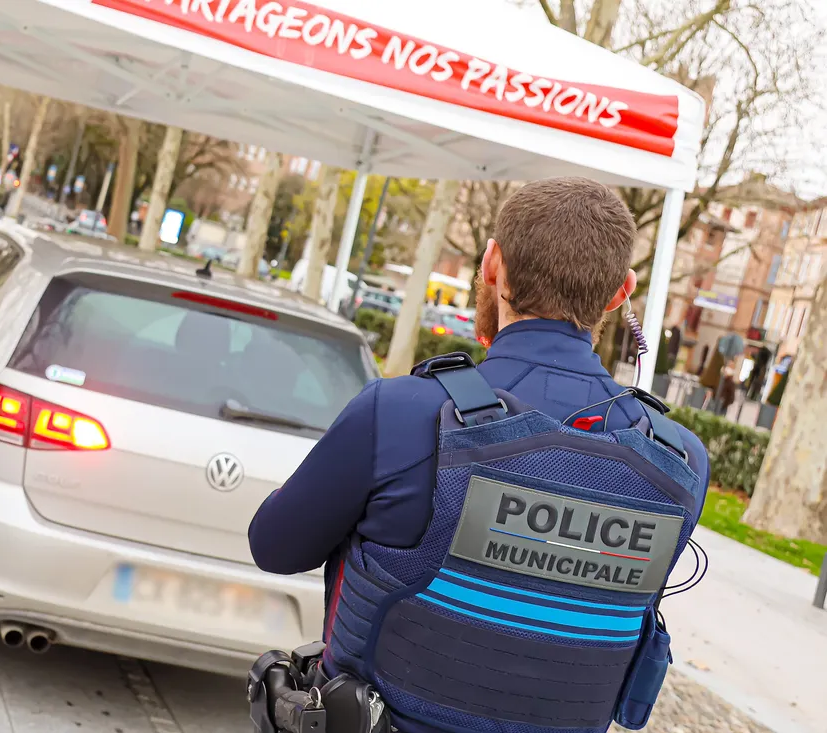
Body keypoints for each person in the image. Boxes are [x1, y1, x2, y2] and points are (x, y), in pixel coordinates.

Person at [248, 178, 710, 733]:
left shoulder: (399, 414)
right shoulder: (680, 462)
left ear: (493, 264)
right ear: (621, 293)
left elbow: (274, 546)